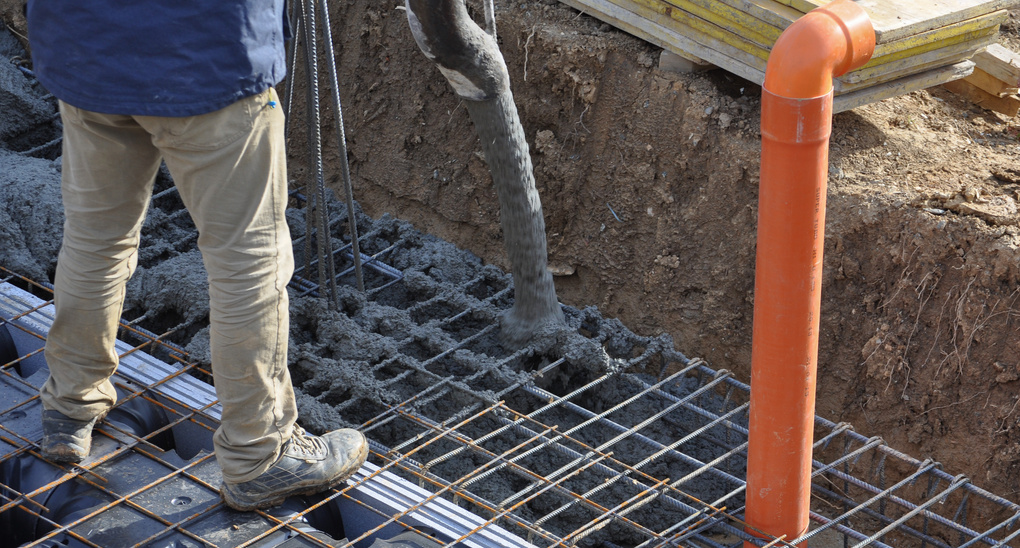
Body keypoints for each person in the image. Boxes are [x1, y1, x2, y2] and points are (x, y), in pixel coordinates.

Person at [24, 1, 368, 511]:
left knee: (97, 237)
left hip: (86, 48)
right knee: (247, 262)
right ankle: (259, 453)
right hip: (207, 55)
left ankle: (70, 407)